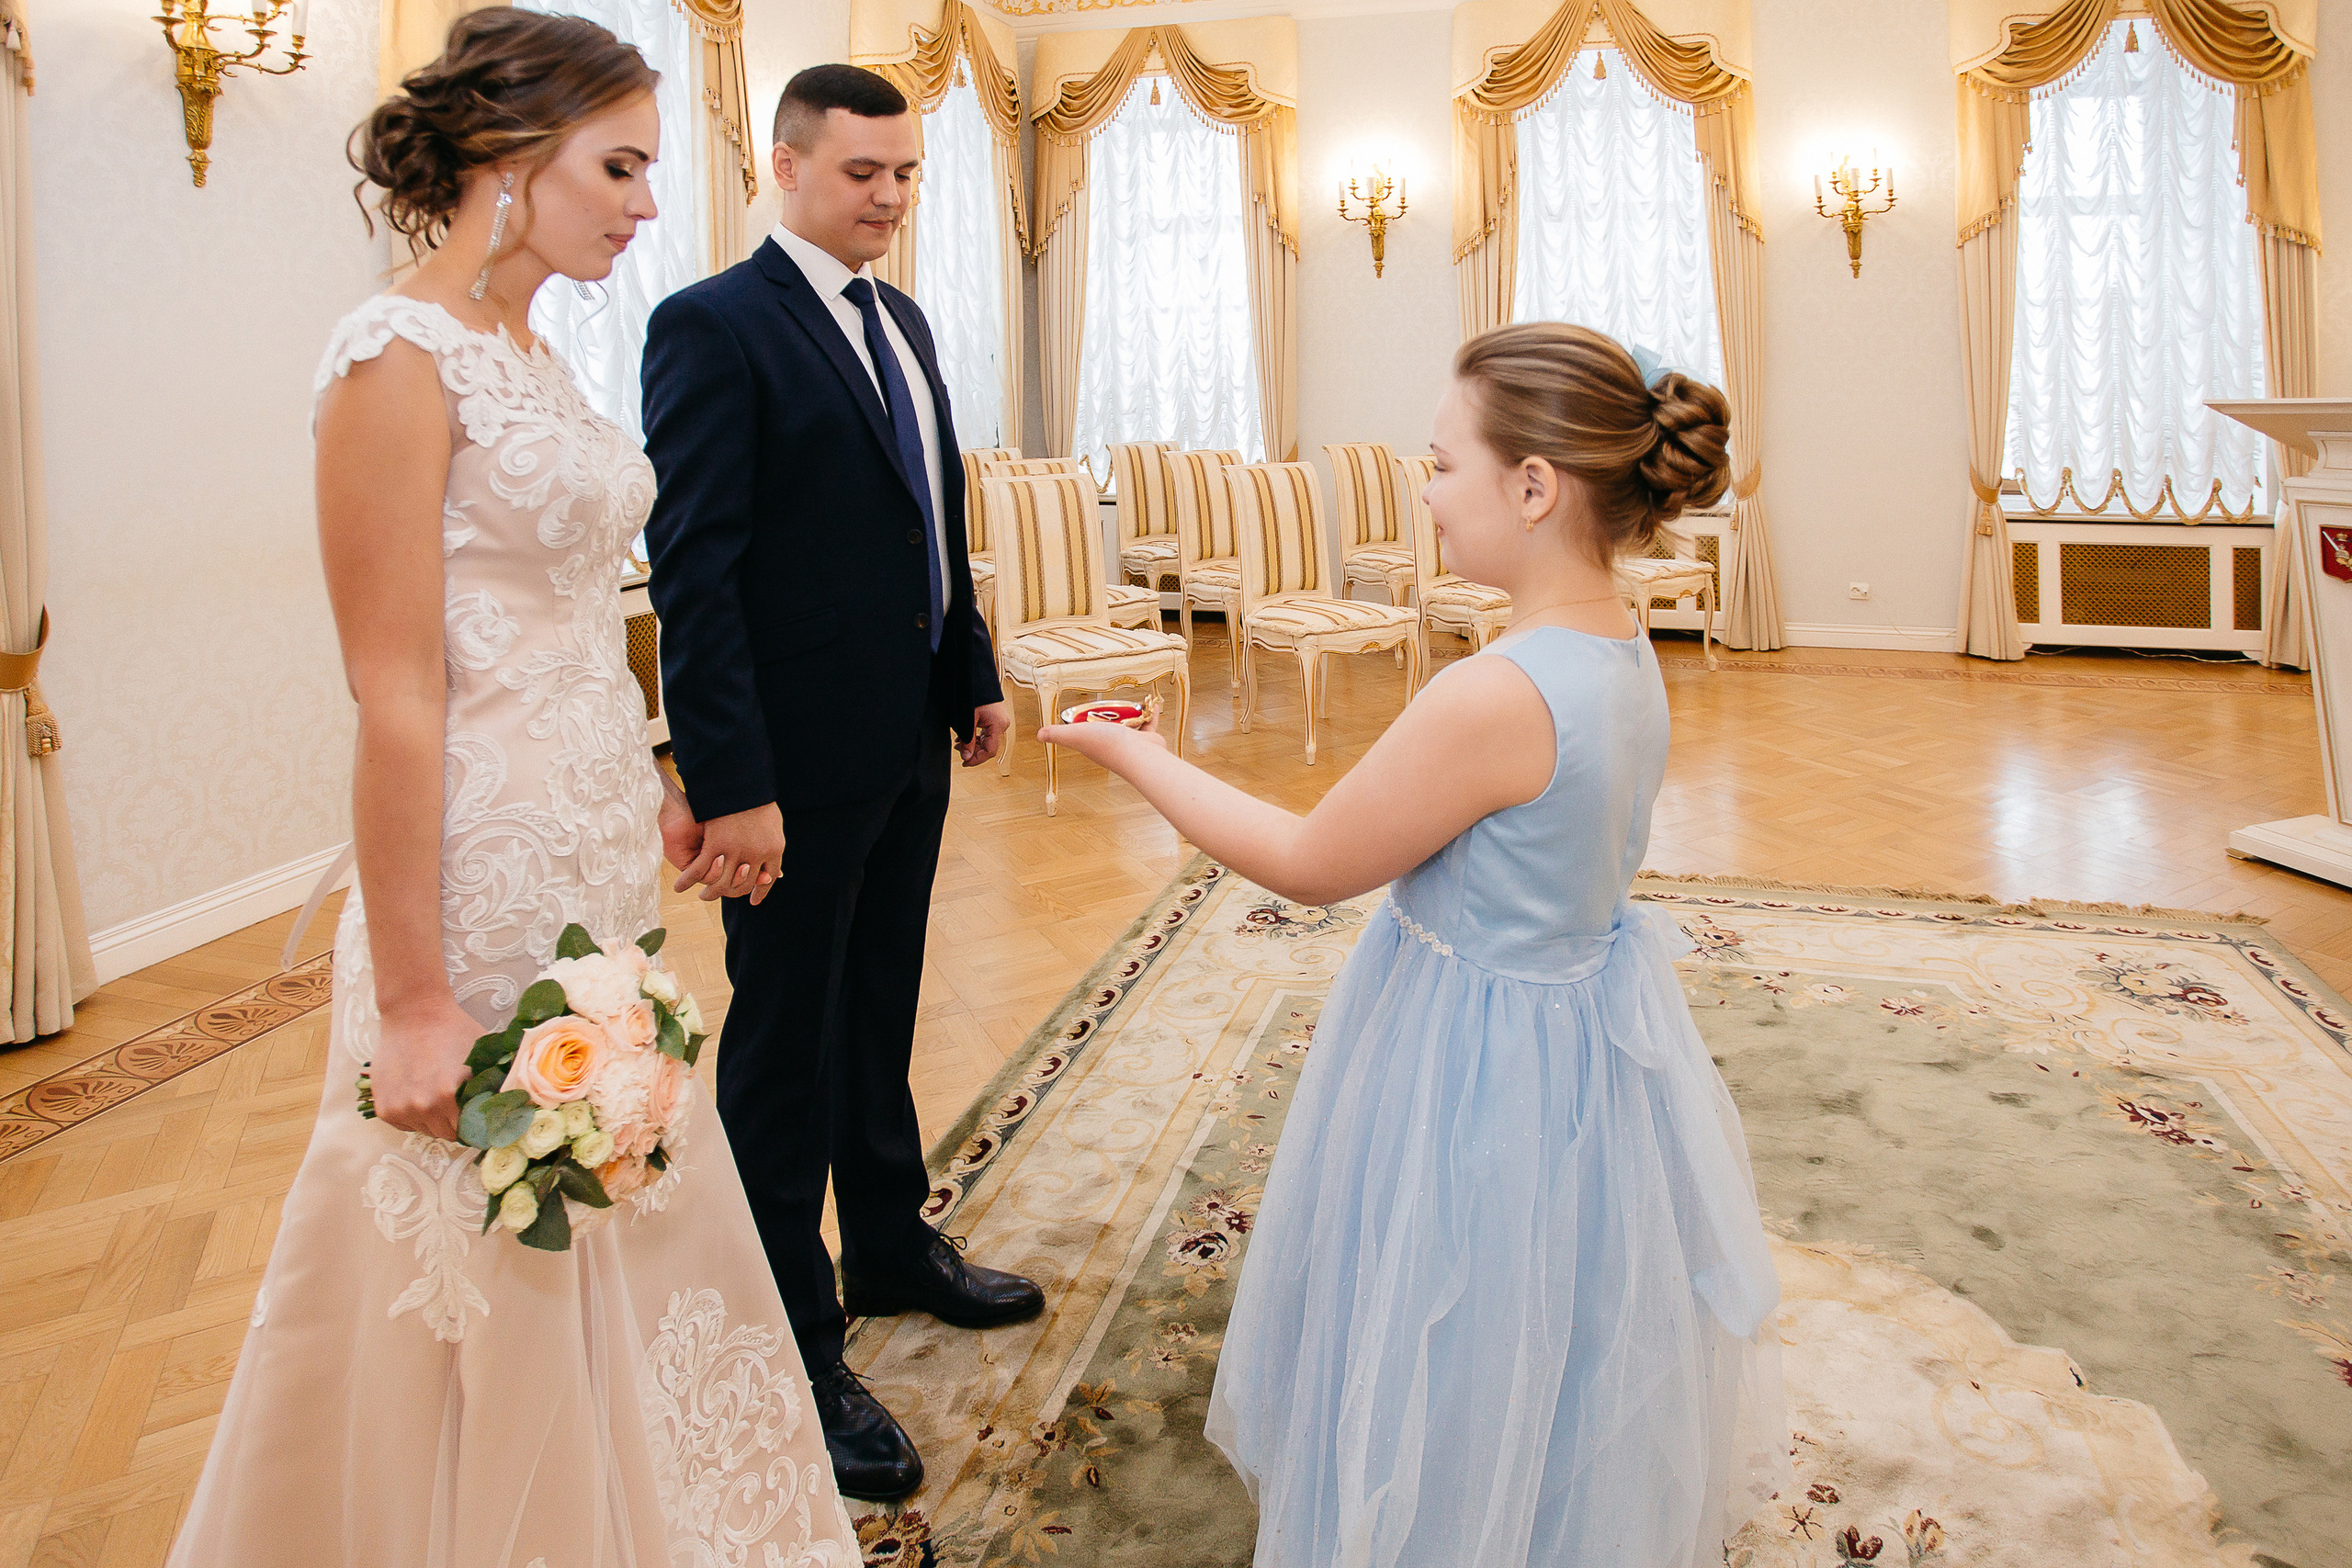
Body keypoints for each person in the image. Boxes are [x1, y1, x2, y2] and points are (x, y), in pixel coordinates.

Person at [165, 15, 862, 1563]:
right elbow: (399, 693)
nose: (642, 206)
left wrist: (657, 774)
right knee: (480, 1202)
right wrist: (413, 996)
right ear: (507, 155)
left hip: (596, 840)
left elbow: (561, 621)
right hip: (473, 866)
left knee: (613, 1162)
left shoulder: (533, 353)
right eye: (617, 167)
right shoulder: (393, 358)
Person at [1040, 324, 1792, 1567]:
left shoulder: (1497, 690)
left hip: (1477, 1057)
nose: (1425, 493)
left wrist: (1142, 753)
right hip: (1575, 1042)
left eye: (1442, 464)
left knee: (1449, 1303)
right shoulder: (1620, 645)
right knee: (1552, 1305)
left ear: (1534, 487)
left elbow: (1310, 861)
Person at [639, 64, 1043, 1502]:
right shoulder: (712, 326)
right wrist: (729, 776)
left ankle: (886, 1241)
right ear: (787, 162)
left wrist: (972, 668)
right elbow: (697, 570)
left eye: (907, 173)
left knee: (882, 1000)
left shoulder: (906, 319)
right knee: (784, 1044)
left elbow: (936, 516)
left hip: (909, 737)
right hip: (790, 774)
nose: (888, 197)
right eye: (863, 172)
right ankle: (787, 1340)